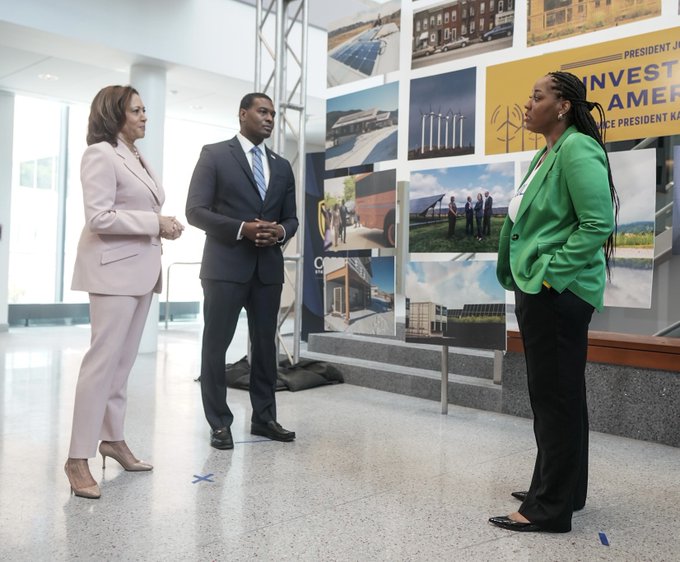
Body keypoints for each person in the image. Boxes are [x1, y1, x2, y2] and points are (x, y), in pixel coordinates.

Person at [490, 71, 618, 533]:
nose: (528, 104)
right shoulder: (548, 154)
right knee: (564, 395)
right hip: (543, 288)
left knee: (553, 397)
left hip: (557, 293)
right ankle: (564, 487)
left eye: (537, 96)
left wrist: (550, 278)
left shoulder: (577, 148)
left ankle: (548, 508)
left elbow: (596, 223)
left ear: (562, 105)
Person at [65, 85, 184, 499]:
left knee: (121, 364)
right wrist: (157, 223)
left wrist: (162, 222)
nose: (144, 116)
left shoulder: (134, 154)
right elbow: (99, 217)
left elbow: (139, 207)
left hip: (140, 271)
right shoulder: (100, 153)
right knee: (101, 364)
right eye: (136, 111)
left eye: (145, 110)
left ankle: (112, 439)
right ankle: (77, 458)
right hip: (112, 273)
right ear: (114, 115)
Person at [185, 92, 298, 450]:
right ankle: (219, 422)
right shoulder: (215, 155)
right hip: (225, 267)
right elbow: (195, 211)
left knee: (265, 348)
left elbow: (291, 218)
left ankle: (264, 419)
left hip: (267, 270)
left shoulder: (282, 165)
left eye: (273, 114)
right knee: (215, 346)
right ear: (242, 114)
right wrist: (241, 228)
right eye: (262, 112)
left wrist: (280, 231)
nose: (269, 119)